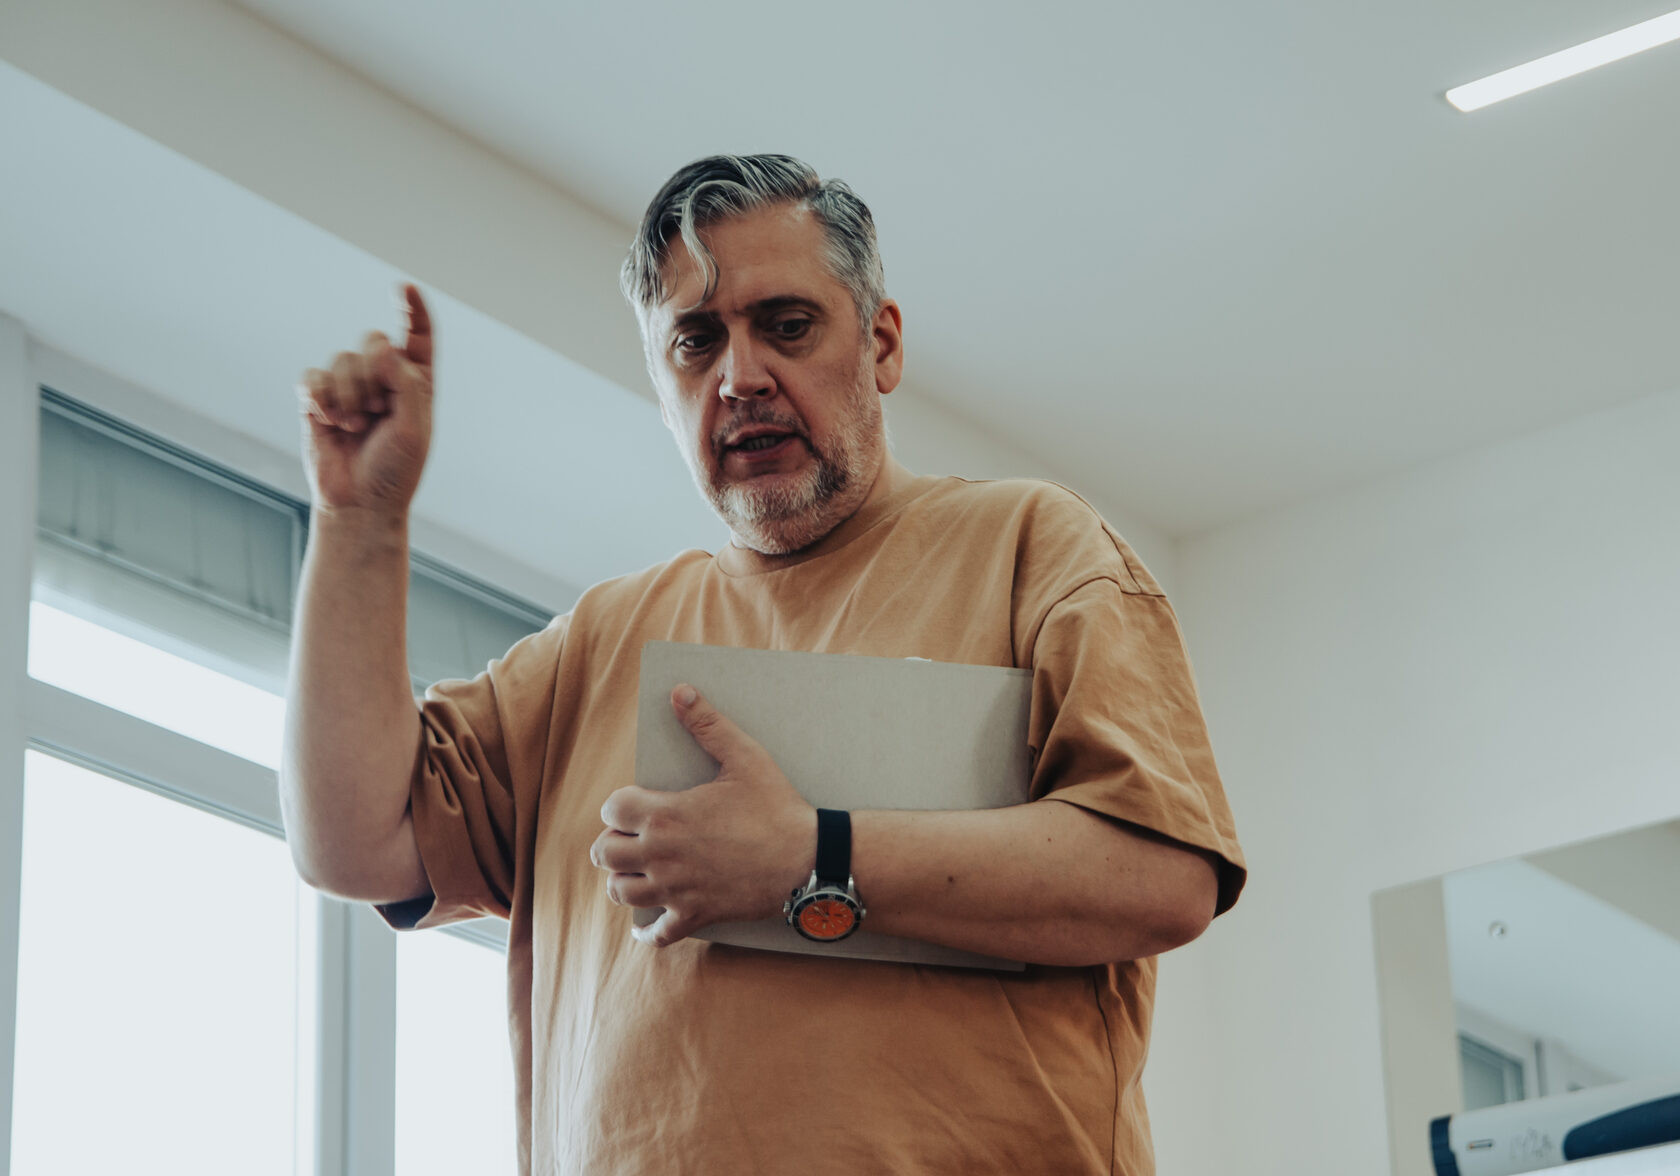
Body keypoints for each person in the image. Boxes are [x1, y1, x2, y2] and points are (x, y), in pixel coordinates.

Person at [283, 153, 1246, 1176]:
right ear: (662, 387)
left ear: (880, 344)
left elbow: (1165, 878)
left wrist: (810, 859)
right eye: (695, 342)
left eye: (786, 325)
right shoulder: (595, 645)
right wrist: (358, 523)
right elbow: (356, 844)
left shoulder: (1029, 546)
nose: (740, 377)